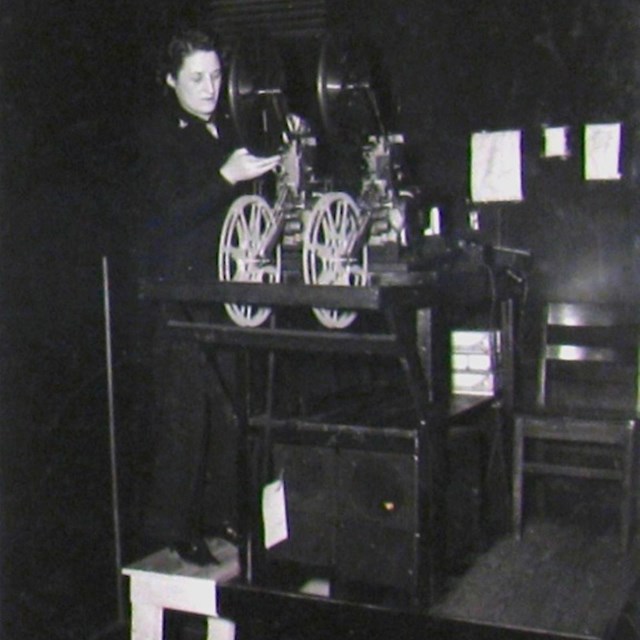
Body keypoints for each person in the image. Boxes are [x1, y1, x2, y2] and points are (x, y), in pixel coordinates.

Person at [131, 28, 280, 558]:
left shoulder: (224, 129)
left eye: (216, 76)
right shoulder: (157, 137)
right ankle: (175, 530)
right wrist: (226, 176)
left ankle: (221, 516)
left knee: (226, 411)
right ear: (171, 80)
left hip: (223, 290)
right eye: (196, 77)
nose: (209, 87)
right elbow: (163, 218)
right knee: (184, 417)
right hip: (180, 296)